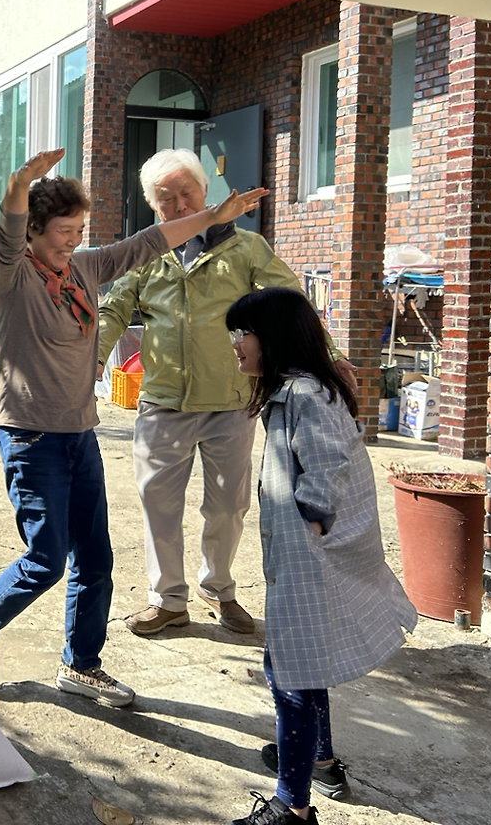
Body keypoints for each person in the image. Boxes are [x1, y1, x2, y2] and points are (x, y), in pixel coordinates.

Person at [0, 147, 267, 705]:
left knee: (95, 559)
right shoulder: (13, 275)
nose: (71, 241)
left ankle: (81, 664)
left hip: (80, 434)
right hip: (30, 436)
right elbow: (8, 229)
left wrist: (214, 217)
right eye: (61, 232)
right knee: (46, 557)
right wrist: (20, 183)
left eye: (78, 231)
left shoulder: (85, 269)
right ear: (34, 231)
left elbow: (149, 242)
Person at [97, 149, 355, 637]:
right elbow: (113, 310)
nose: (179, 204)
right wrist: (91, 359)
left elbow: (290, 304)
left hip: (231, 401)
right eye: (166, 197)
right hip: (163, 401)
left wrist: (328, 353)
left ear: (205, 190)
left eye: (187, 192)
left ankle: (217, 588)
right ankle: (167, 599)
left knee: (228, 506)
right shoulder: (143, 253)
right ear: (153, 204)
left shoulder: (246, 248)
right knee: (159, 506)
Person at [225, 287, 416, 825]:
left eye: (243, 333)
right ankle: (320, 760)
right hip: (300, 556)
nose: (235, 344)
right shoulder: (294, 390)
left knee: (290, 674)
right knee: (303, 665)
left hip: (310, 560)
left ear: (275, 337)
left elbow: (327, 462)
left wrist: (312, 518)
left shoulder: (307, 394)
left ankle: (293, 806)